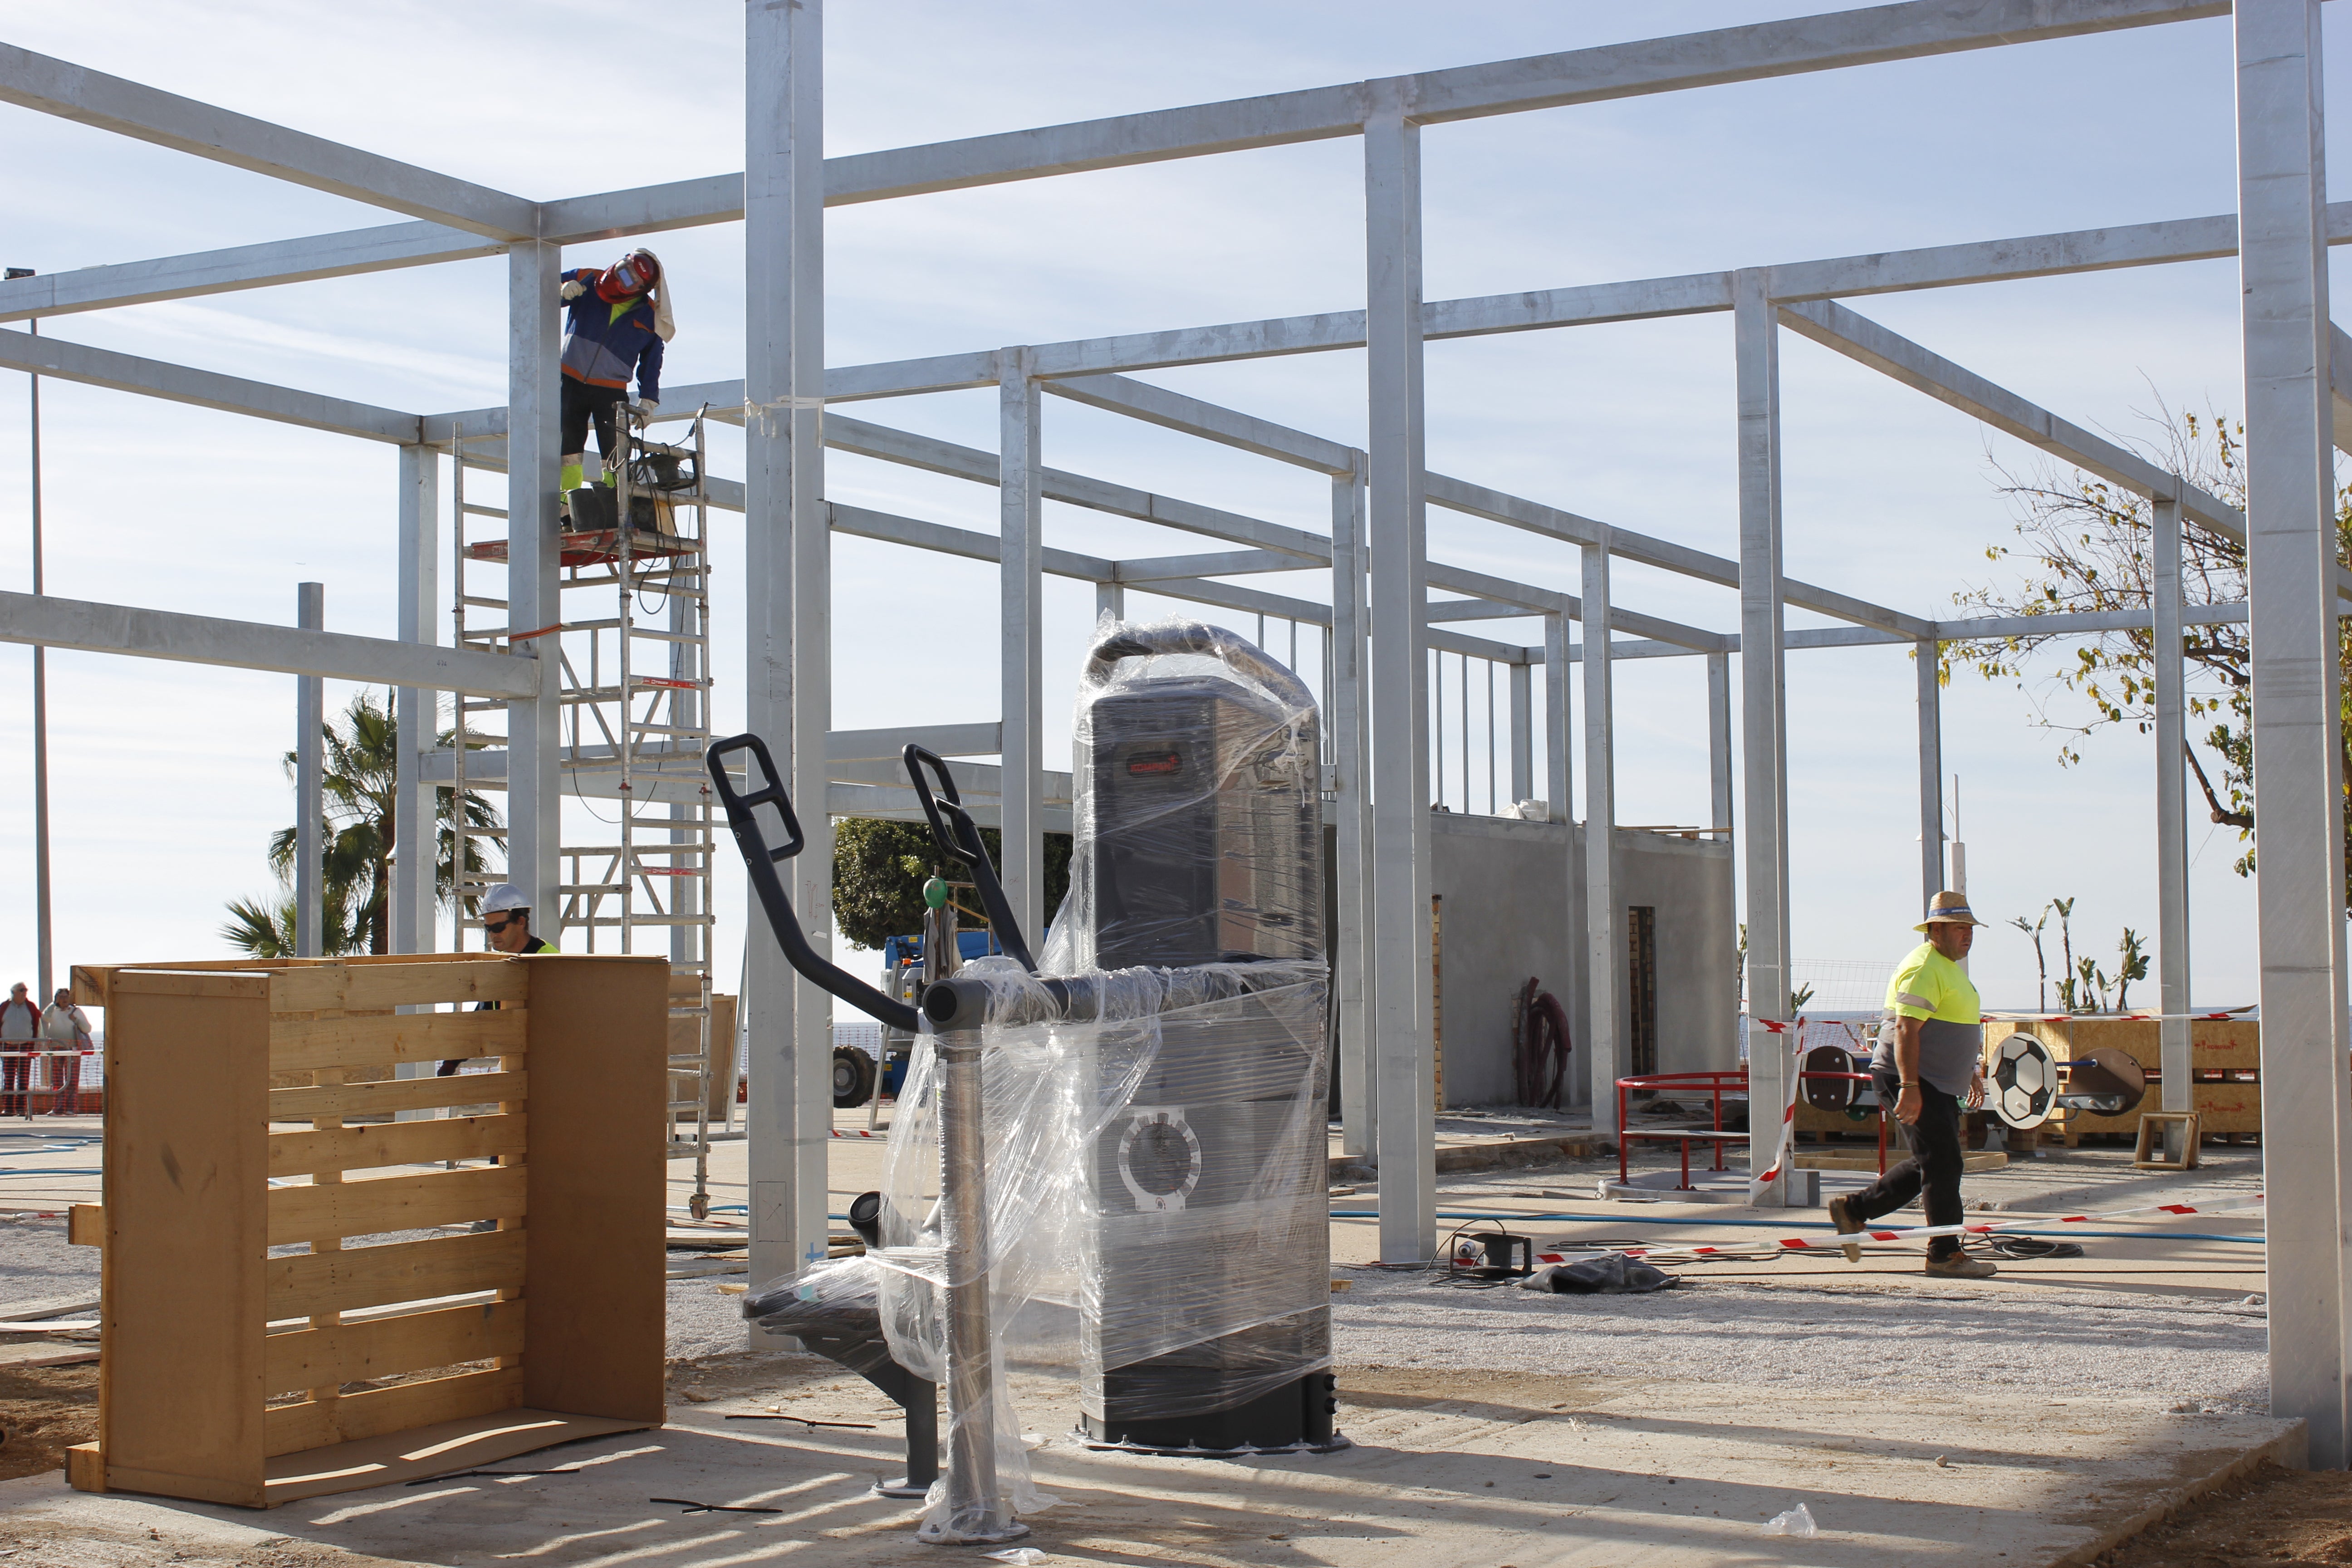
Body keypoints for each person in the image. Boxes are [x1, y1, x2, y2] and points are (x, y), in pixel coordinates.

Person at [1828, 891, 1994, 1279]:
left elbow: (1948, 1026)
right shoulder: (1924, 967)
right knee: (1944, 1162)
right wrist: (1909, 1086)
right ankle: (1944, 1252)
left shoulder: (1947, 968)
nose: (1967, 935)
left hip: (1934, 1081)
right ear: (1935, 929)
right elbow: (1906, 1029)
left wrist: (1966, 1069)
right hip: (1914, 1079)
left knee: (1933, 1160)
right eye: (1959, 928)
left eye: (1970, 928)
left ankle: (1855, 1210)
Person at [557, 248, 674, 529]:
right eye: (624, 271)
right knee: (568, 446)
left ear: (644, 288)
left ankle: (615, 506)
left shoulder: (649, 316)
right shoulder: (586, 279)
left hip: (610, 390)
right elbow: (536, 285)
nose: (623, 281)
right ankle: (566, 508)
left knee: (614, 451)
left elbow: (652, 362)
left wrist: (649, 399)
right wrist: (561, 289)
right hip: (570, 379)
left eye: (632, 280)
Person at [438, 883, 556, 1077]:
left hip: (546, 1063)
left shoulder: (546, 958)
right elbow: (483, 1015)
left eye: (499, 927)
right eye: (488, 928)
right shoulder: (500, 963)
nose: (493, 935)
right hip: (518, 1063)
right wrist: (452, 1062)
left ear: (521, 922)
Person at [39, 987, 93, 1116]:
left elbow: (87, 1028)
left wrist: (76, 1020)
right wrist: (53, 1004)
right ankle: (58, 1108)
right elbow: (44, 1017)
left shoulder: (76, 1011)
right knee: (57, 1080)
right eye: (61, 997)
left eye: (65, 997)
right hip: (56, 1049)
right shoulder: (52, 1010)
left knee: (72, 1079)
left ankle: (71, 1108)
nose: (63, 1000)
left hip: (72, 1049)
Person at [0, 985, 34, 1118]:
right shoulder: (4, 1007)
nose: (24, 993)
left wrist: (37, 1046)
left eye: (26, 990)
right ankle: (9, 1109)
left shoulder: (31, 1007)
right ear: (13, 992)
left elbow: (38, 1024)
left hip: (26, 1047)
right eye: (21, 990)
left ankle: (21, 1109)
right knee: (8, 1079)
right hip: (8, 1047)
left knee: (24, 1079)